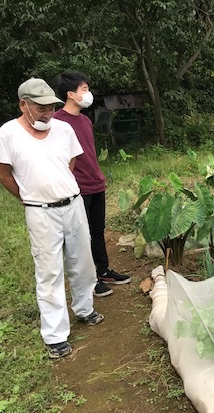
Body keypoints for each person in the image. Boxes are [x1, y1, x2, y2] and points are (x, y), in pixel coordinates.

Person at [0, 78, 104, 359]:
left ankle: (84, 308)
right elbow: (2, 173)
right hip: (40, 211)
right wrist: (29, 195)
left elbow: (71, 163)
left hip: (73, 204)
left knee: (83, 261)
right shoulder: (8, 134)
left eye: (50, 107)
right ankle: (55, 336)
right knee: (49, 271)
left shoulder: (63, 129)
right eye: (40, 107)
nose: (47, 113)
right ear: (24, 105)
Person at [53, 71, 130, 297]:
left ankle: (103, 271)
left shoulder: (85, 120)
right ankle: (89, 281)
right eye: (84, 90)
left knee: (97, 231)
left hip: (96, 184)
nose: (88, 94)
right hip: (77, 188)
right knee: (80, 236)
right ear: (70, 94)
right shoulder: (57, 122)